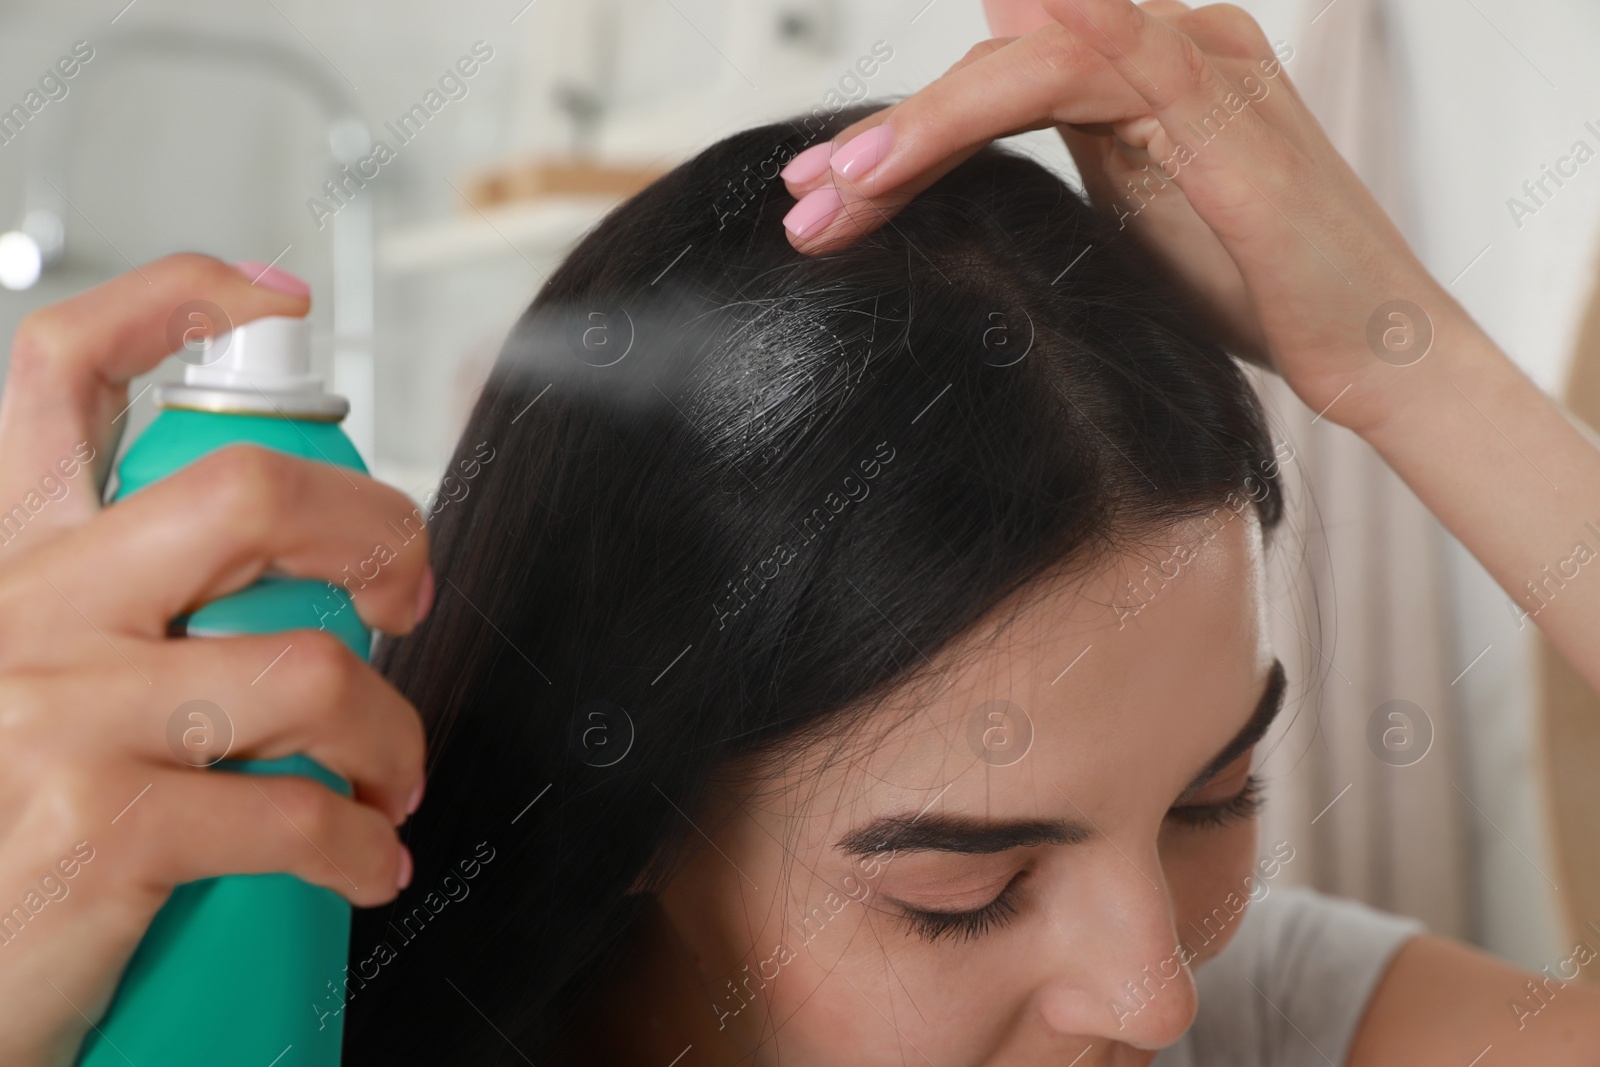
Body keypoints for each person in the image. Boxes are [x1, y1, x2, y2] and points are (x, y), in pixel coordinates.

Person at [2, 2, 1599, 1065]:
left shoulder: (1263, 1019)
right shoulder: (262, 1019)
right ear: (625, 813)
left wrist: (1408, 359)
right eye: (963, 888)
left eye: (1212, 799)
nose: (1148, 996)